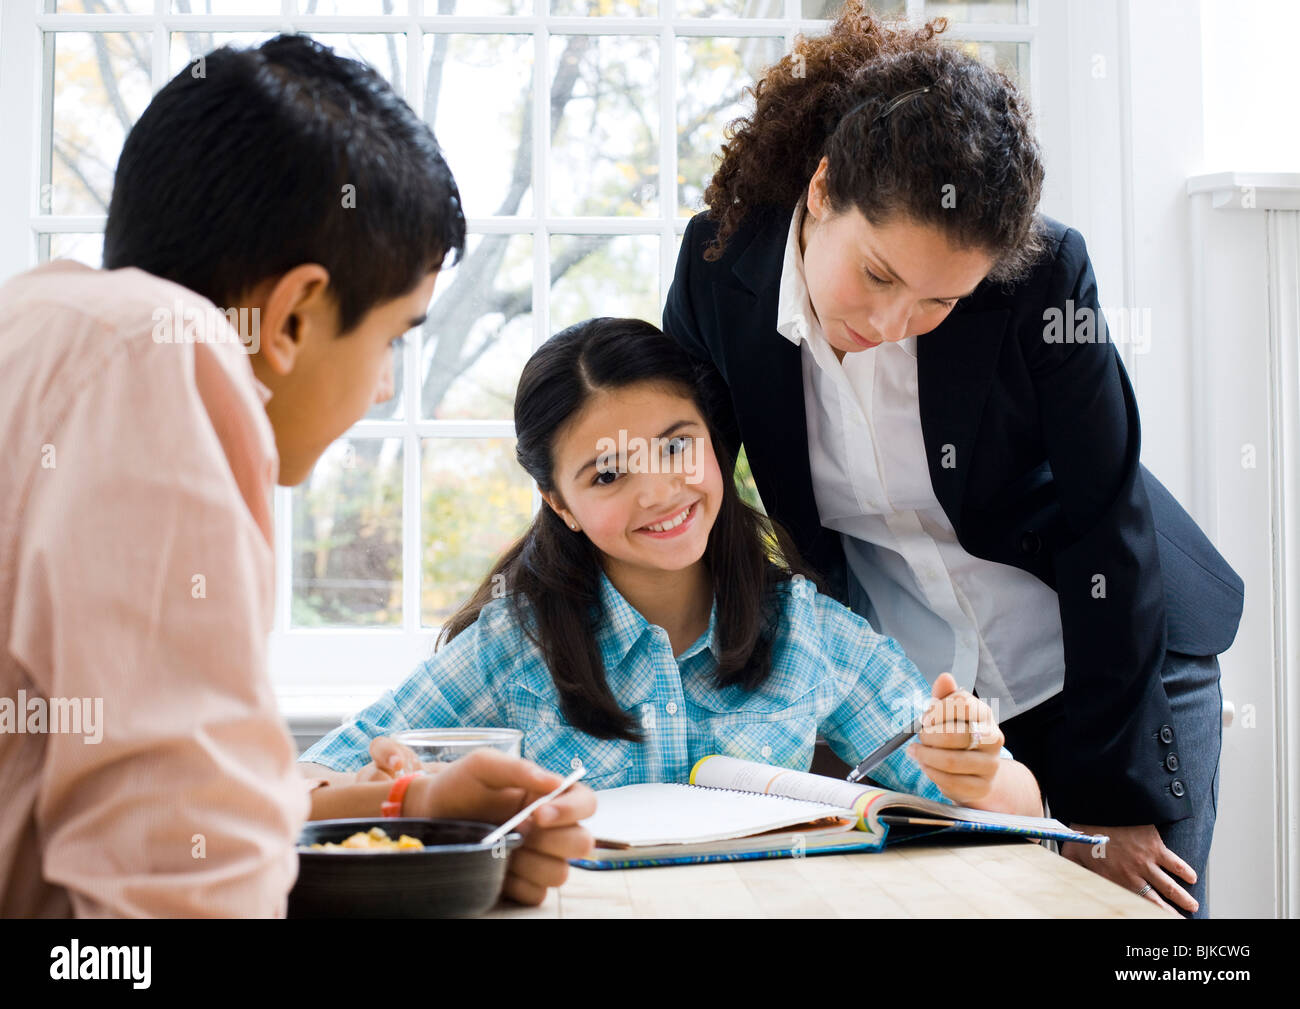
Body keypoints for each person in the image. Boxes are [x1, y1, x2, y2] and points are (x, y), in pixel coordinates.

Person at [661, 2, 1243, 917]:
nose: (892, 326)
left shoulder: (1045, 274)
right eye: (879, 276)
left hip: (1116, 660)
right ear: (820, 192)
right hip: (930, 696)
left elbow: (1108, 525)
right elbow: (683, 504)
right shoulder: (717, 268)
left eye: (938, 302)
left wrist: (1112, 801)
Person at [0, 34, 591, 917]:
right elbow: (181, 894)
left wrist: (415, 813)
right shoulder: (161, 360)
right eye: (392, 336)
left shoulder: (39, 323)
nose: (386, 382)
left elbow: (126, 822)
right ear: (292, 316)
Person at [299, 317, 1044, 820]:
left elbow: (1018, 807)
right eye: (606, 475)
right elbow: (304, 784)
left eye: (676, 445)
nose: (659, 491)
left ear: (715, 444)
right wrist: (406, 790)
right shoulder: (513, 644)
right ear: (559, 502)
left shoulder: (807, 632)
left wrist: (975, 767)